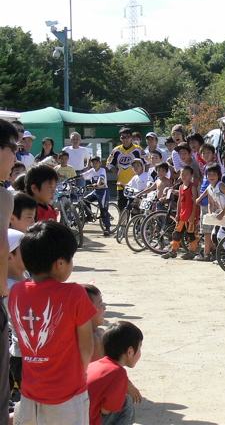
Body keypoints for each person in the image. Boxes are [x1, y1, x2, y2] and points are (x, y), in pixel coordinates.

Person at [9, 221, 97, 424]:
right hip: (67, 395)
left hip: (30, 392)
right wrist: (78, 375)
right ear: (60, 263)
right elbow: (86, 346)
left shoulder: (16, 291)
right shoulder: (74, 293)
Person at [87, 321, 144, 425]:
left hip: (76, 418)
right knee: (127, 401)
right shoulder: (118, 373)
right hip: (91, 422)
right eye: (140, 347)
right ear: (130, 351)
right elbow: (106, 410)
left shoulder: (95, 364)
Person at [0, 120, 18, 425]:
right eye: (12, 149)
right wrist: (3, 288)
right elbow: (2, 247)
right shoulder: (3, 195)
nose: (16, 158)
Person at [196, 163, 225, 259]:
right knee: (214, 235)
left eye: (214, 174)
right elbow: (210, 203)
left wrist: (223, 212)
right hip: (223, 215)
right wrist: (211, 214)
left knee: (221, 235)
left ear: (219, 175)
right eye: (209, 174)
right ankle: (224, 256)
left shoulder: (221, 185)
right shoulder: (210, 188)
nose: (211, 177)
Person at [162, 166, 199, 260]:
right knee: (177, 233)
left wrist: (193, 215)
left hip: (190, 216)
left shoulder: (192, 187)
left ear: (191, 175)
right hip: (183, 215)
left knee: (190, 235)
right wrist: (178, 214)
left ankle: (191, 252)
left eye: (186, 174)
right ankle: (173, 251)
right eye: (182, 174)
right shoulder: (181, 186)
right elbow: (179, 201)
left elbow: (195, 201)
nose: (184, 176)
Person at [6, 229, 26, 397]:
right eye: (25, 249)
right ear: (9, 257)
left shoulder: (26, 276)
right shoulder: (10, 289)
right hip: (20, 355)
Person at [107, 127, 145, 212]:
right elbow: (109, 164)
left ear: (131, 138)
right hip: (121, 184)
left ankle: (135, 225)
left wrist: (143, 175)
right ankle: (123, 225)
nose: (125, 139)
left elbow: (147, 162)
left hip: (136, 184)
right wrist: (117, 174)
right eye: (122, 137)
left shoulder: (138, 149)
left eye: (127, 137)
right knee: (122, 208)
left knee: (136, 208)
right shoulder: (116, 150)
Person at [82, 156, 112, 236]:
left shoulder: (102, 170)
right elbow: (83, 175)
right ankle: (89, 215)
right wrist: (72, 179)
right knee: (84, 200)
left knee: (103, 209)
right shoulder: (92, 171)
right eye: (93, 163)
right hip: (96, 191)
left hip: (103, 191)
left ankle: (107, 228)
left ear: (100, 163)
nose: (95, 164)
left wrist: (98, 184)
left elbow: (101, 178)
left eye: (96, 162)